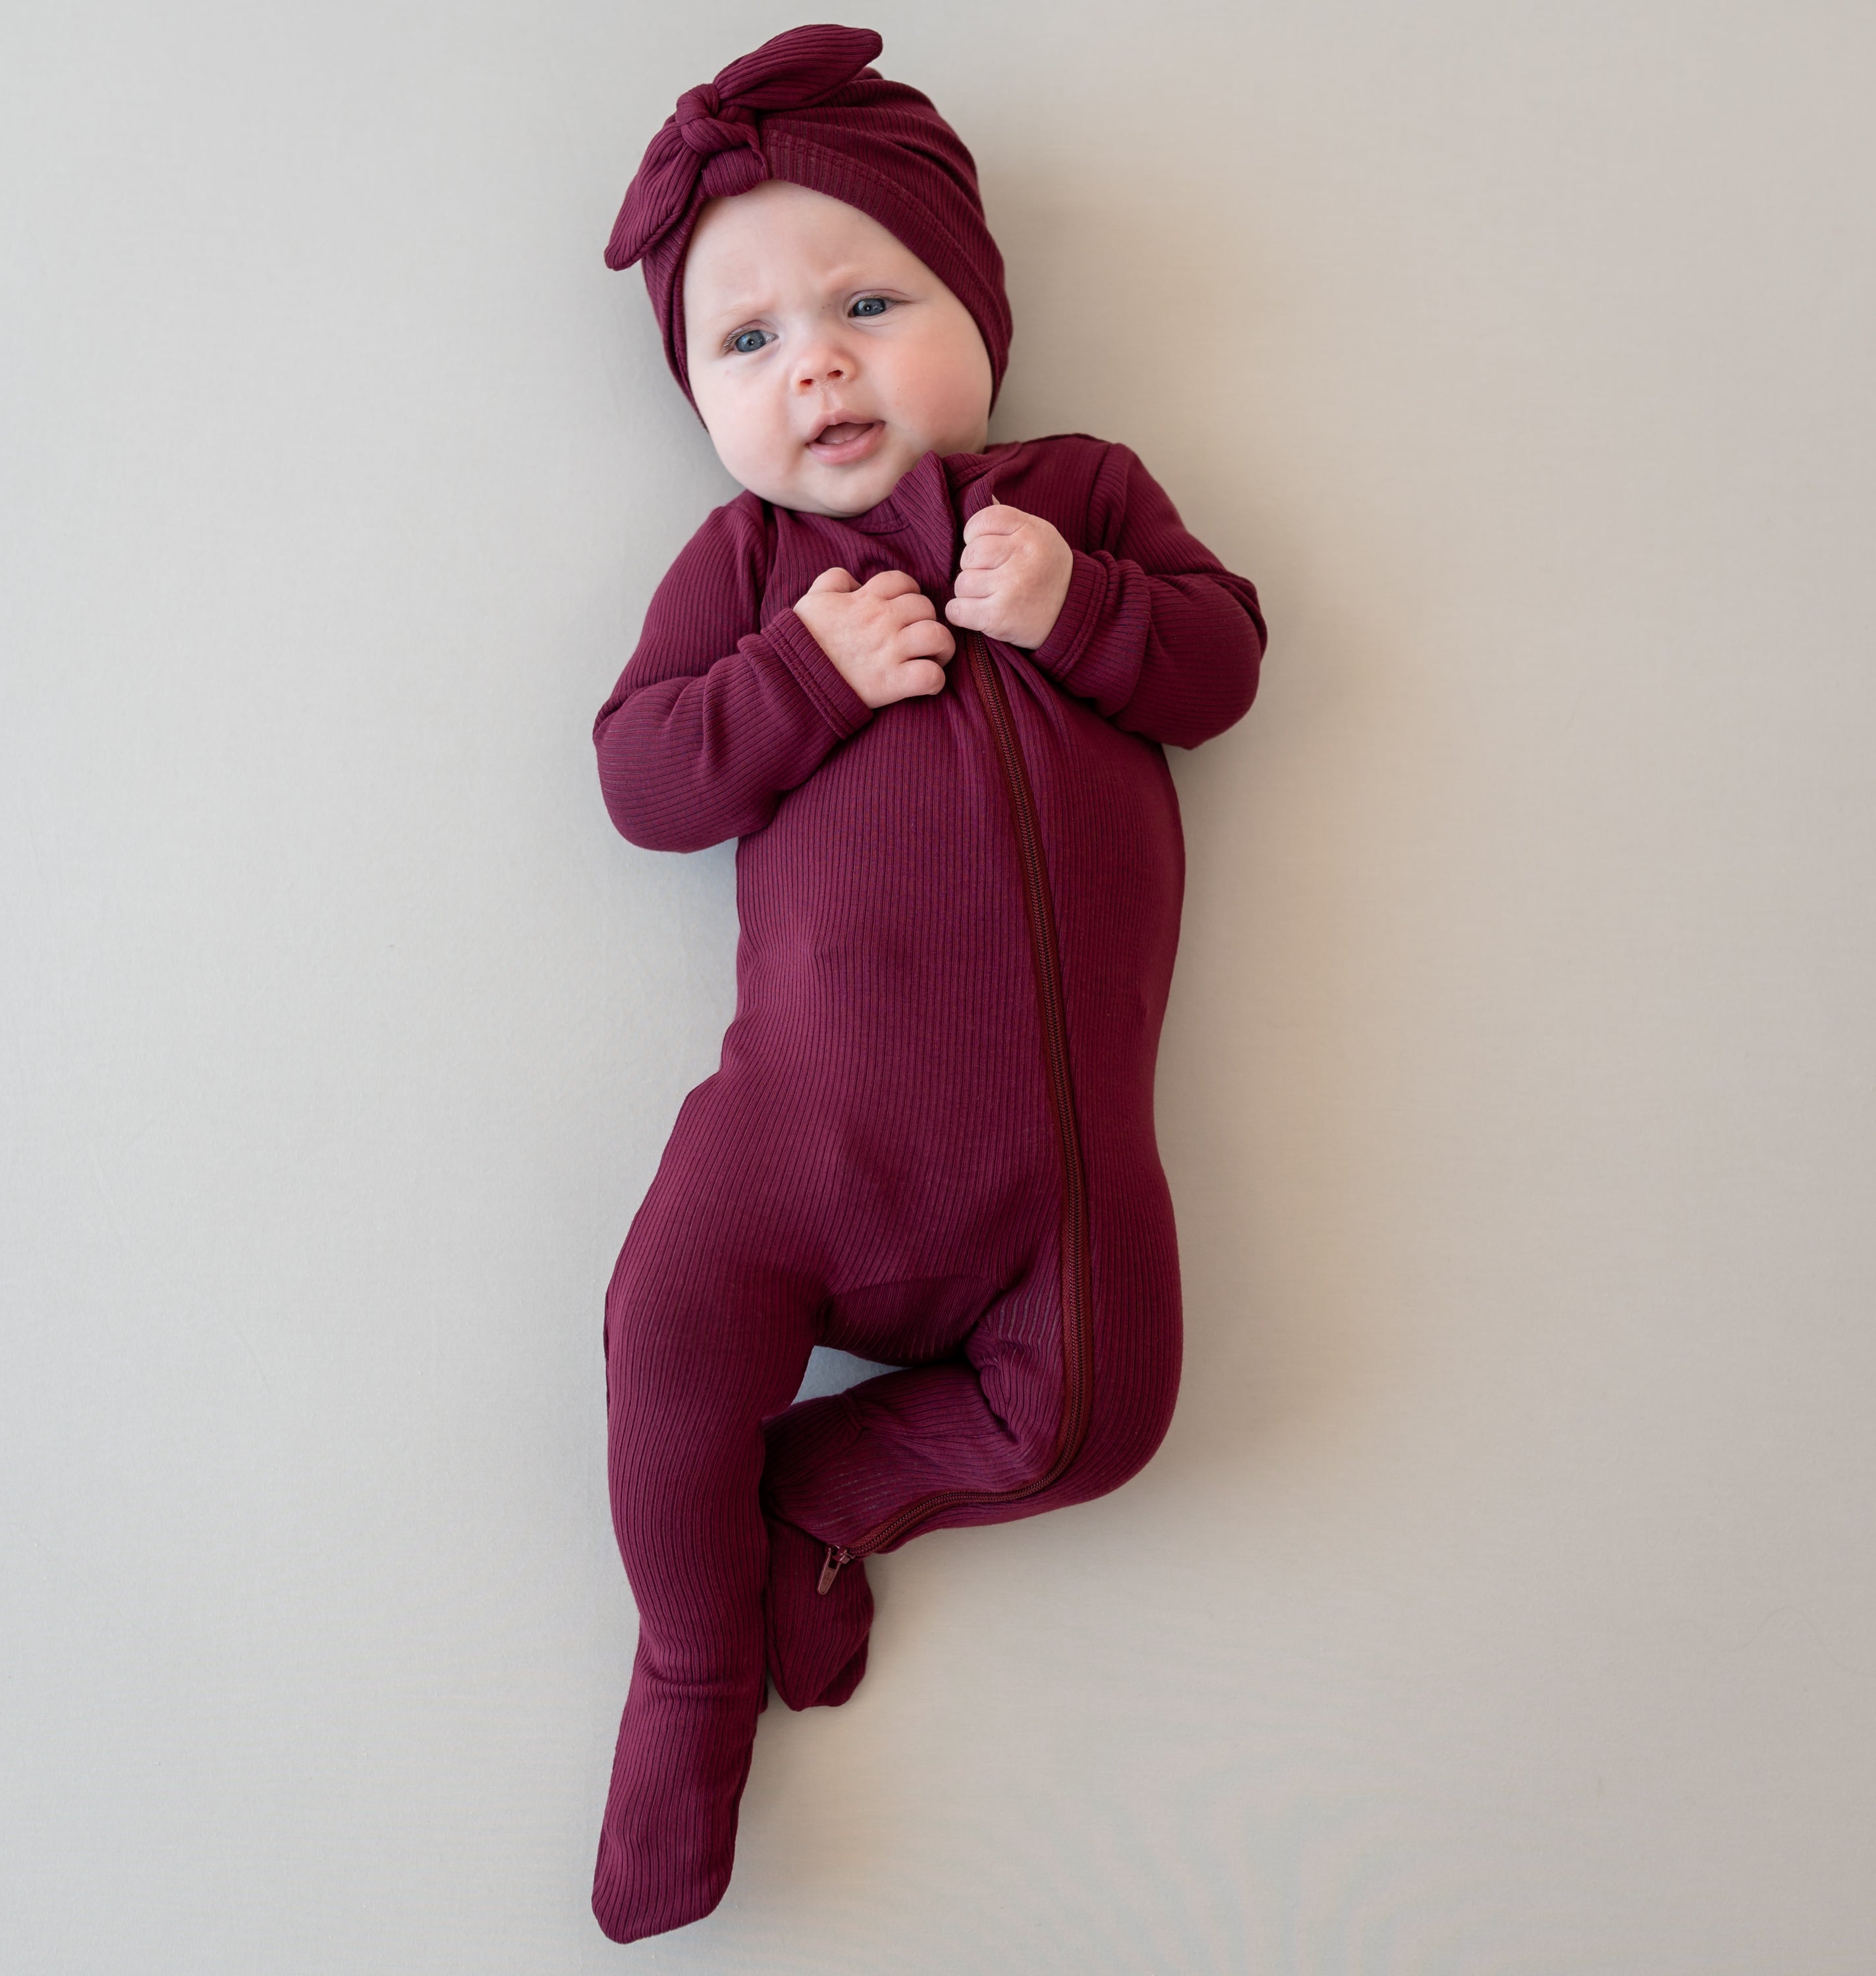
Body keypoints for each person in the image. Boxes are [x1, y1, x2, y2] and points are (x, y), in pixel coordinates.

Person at [590, 23, 1266, 1942]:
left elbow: (1221, 672)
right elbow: (640, 777)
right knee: (663, 1339)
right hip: (797, 1139)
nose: (814, 360)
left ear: (976, 311)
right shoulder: (743, 571)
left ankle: (821, 1491)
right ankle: (693, 1678)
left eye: (868, 300)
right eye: (748, 341)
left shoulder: (1082, 496)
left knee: (1102, 1419)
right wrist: (803, 678)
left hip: (1059, 1160)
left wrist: (1085, 608)